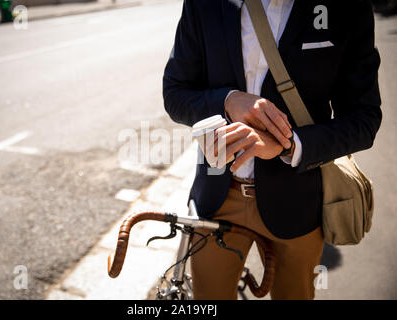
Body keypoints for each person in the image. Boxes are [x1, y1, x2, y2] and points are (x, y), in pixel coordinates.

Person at [162, 0, 382, 300]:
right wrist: (227, 100)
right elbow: (175, 92)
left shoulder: (347, 6)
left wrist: (289, 145)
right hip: (217, 196)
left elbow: (363, 119)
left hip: (300, 200)